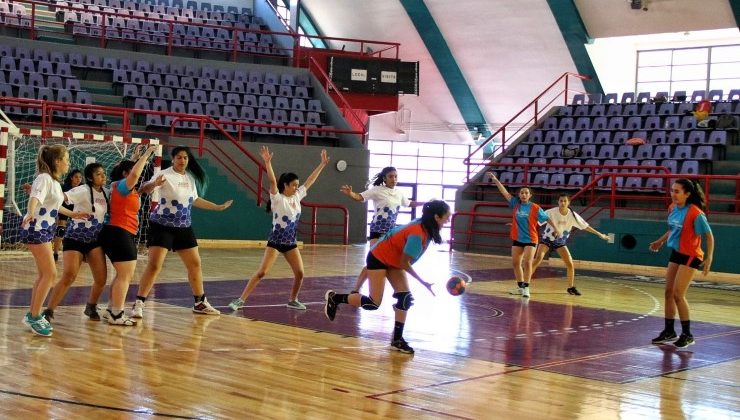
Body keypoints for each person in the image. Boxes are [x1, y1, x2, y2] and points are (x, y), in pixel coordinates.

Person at [324, 200, 450, 354]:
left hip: (393, 260)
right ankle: (335, 298)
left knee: (405, 299)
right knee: (372, 303)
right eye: (446, 217)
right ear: (436, 217)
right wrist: (423, 282)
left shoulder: (427, 225)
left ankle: (397, 340)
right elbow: (405, 263)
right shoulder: (418, 234)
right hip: (379, 257)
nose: (448, 220)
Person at [131, 146, 233, 318]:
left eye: (185, 158)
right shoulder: (164, 174)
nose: (182, 160)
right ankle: (139, 303)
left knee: (195, 264)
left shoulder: (190, 178)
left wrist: (217, 207)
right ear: (173, 159)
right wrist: (153, 184)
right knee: (155, 265)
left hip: (184, 227)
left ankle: (200, 302)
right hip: (162, 226)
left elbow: (194, 199)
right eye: (179, 157)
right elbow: (144, 189)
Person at [228, 146, 329, 311]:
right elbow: (273, 182)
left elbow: (310, 180)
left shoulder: (297, 196)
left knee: (300, 273)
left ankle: (293, 299)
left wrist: (322, 164)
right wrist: (267, 163)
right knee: (262, 272)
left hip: (290, 243)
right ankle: (240, 300)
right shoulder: (277, 198)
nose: (297, 187)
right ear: (286, 185)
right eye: (294, 185)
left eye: (297, 185)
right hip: (275, 241)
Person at [21, 145, 89, 336]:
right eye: (66, 158)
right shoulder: (44, 178)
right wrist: (32, 211)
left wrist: (74, 214)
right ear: (57, 161)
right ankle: (34, 316)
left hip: (43, 230)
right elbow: (35, 197)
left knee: (44, 275)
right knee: (50, 275)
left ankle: (32, 314)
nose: (69, 162)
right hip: (36, 229)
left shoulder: (54, 182)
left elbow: (56, 206)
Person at [100, 144, 163, 326]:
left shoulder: (119, 186)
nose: (137, 176)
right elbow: (134, 175)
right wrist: (148, 153)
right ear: (125, 174)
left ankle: (112, 309)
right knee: (124, 276)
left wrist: (136, 160)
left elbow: (139, 185)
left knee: (121, 275)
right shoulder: (122, 185)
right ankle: (117, 314)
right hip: (120, 232)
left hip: (115, 232)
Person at [649, 179, 714, 349]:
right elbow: (672, 229)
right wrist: (660, 241)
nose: (673, 194)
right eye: (672, 190)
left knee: (678, 294)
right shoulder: (672, 208)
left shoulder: (695, 213)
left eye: (677, 191)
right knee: (668, 292)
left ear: (687, 194)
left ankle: (688, 334)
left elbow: (709, 236)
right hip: (677, 252)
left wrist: (709, 257)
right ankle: (669, 331)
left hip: (691, 255)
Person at [42, 163, 109, 322]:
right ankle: (49, 310)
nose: (103, 176)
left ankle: (91, 306)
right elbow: (61, 198)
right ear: (91, 177)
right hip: (75, 238)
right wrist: (42, 193)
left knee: (101, 279)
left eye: (104, 173)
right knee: (69, 275)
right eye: (99, 174)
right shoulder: (82, 190)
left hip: (94, 240)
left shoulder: (107, 192)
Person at [339, 166, 422, 294]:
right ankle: (356, 289)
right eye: (390, 176)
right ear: (384, 178)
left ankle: (398, 289)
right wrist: (351, 193)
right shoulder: (377, 190)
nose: (393, 179)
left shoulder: (399, 193)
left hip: (391, 233)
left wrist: (426, 203)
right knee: (374, 261)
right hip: (377, 230)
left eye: (395, 176)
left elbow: (410, 203)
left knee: (388, 262)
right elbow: (360, 197)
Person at [487, 172, 561, 298]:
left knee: (527, 262)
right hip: (517, 238)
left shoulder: (535, 208)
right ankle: (520, 286)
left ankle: (527, 287)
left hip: (531, 239)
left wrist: (556, 229)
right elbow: (504, 192)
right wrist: (495, 180)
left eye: (526, 193)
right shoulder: (515, 204)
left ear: (530, 195)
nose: (524, 195)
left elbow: (547, 218)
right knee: (516, 263)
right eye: (522, 193)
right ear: (519, 195)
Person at [531, 193, 609, 296]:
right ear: (558, 202)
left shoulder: (573, 215)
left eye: (565, 201)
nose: (562, 203)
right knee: (538, 259)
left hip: (560, 242)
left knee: (570, 264)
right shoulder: (550, 212)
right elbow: (535, 220)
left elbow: (585, 226)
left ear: (568, 202)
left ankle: (570, 287)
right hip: (547, 240)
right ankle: (524, 283)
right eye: (561, 201)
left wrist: (599, 234)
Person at [54, 169, 82, 262]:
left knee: (79, 230)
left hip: (76, 209)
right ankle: (55, 253)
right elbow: (57, 199)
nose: (78, 179)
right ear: (71, 178)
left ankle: (80, 252)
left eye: (80, 177)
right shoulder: (64, 187)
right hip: (64, 208)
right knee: (61, 230)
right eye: (76, 177)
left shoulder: (83, 188)